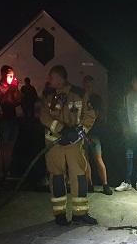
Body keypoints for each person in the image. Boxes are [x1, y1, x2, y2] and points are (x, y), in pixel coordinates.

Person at [40, 65, 97, 225]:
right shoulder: (47, 95)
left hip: (74, 143)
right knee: (57, 177)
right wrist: (61, 130)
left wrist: (79, 132)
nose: (49, 81)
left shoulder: (79, 94)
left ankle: (80, 214)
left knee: (79, 176)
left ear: (60, 78)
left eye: (51, 77)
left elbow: (90, 115)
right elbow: (44, 117)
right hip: (54, 143)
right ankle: (59, 215)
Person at [82, 75, 113, 195]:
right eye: (86, 85)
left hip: (94, 133)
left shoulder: (96, 98)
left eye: (89, 85)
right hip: (83, 133)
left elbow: (97, 115)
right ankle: (89, 184)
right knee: (85, 160)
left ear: (92, 85)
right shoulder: (82, 97)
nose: (87, 87)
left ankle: (105, 184)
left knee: (98, 158)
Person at [0, 65, 22, 180]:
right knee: (3, 146)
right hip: (3, 120)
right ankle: (1, 171)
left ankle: (8, 170)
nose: (11, 77)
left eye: (12, 75)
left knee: (10, 146)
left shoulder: (12, 87)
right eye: (9, 75)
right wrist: (9, 91)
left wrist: (16, 90)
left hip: (13, 119)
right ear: (2, 74)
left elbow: (18, 101)